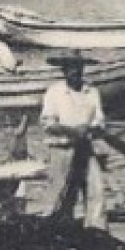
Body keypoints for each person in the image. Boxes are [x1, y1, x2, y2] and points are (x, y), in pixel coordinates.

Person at [40, 51, 108, 231]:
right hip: (62, 149)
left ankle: (96, 233)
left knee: (96, 191)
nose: (75, 72)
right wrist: (73, 131)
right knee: (60, 195)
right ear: (63, 71)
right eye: (70, 68)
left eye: (78, 68)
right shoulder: (54, 92)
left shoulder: (92, 92)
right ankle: (60, 232)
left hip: (86, 149)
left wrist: (90, 130)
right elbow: (48, 124)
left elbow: (100, 122)